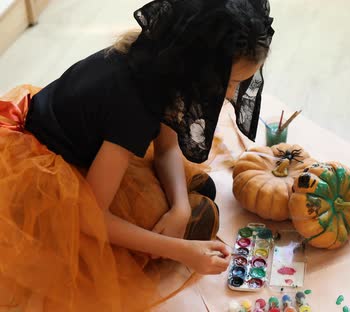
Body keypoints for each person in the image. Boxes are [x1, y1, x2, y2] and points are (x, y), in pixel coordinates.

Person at [0, 0, 274, 310]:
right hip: (53, 176)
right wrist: (181, 251)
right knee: (139, 237)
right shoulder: (131, 107)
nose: (232, 95)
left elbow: (166, 149)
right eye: (234, 84)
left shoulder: (161, 68)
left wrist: (181, 208)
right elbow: (90, 218)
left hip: (94, 148)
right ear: (203, 72)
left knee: (194, 197)